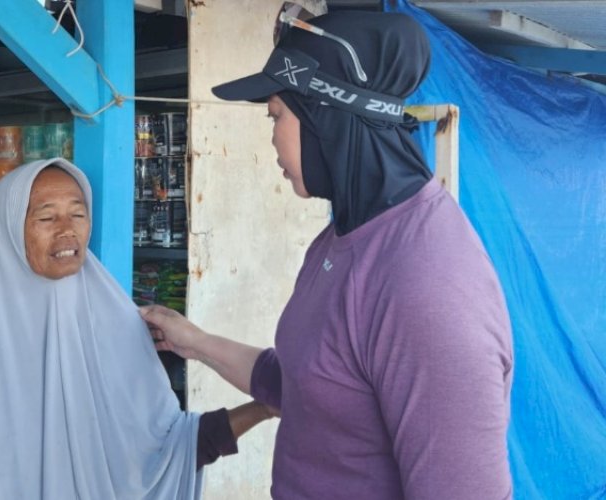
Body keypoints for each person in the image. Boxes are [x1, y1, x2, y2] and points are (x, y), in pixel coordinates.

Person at [140, 9, 514, 500]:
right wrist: (195, 342)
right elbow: (303, 384)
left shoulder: (429, 286)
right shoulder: (341, 236)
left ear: (325, 114)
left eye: (276, 115)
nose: (271, 136)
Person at [0, 158, 274, 500]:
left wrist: (266, 405)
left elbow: (165, 450)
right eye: (46, 218)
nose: (67, 230)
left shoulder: (117, 325)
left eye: (78, 214)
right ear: (8, 229)